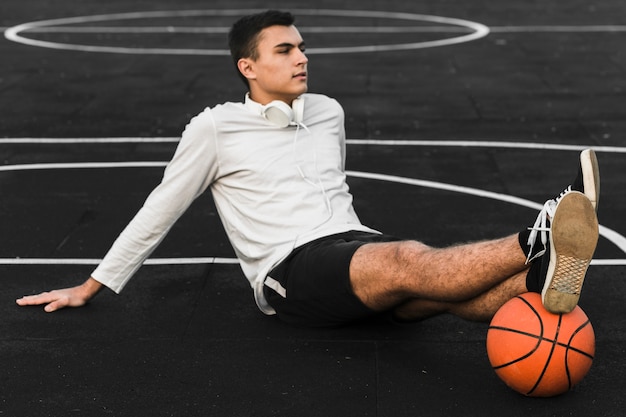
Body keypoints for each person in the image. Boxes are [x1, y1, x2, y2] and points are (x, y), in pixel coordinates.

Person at [16, 10, 600, 327]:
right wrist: (92, 286)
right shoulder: (215, 127)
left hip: (351, 243)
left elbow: (332, 191)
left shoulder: (327, 111)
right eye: (285, 50)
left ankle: (537, 282)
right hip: (287, 271)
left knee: (431, 294)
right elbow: (160, 208)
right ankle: (540, 236)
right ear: (248, 66)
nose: (302, 57)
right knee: (408, 259)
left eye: (302, 46)